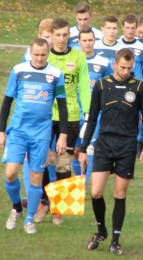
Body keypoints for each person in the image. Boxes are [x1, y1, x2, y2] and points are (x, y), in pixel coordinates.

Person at [78, 48, 143, 255]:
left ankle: (115, 241)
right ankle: (101, 230)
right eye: (122, 67)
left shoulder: (139, 87)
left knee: (120, 194)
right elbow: (92, 118)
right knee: (95, 192)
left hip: (127, 145)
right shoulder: (102, 85)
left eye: (129, 68)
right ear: (114, 65)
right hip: (104, 143)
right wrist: (83, 149)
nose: (126, 71)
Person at [0, 38, 67, 234]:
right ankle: (17, 207)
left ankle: (29, 220)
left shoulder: (55, 74)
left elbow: (62, 105)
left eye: (43, 55)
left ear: (48, 54)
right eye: (36, 55)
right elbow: (7, 102)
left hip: (41, 133)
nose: (39, 58)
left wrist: (62, 134)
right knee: (10, 173)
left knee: (37, 175)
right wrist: (1, 131)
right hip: (19, 131)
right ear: (30, 52)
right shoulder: (18, 71)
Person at [34, 18, 91, 225]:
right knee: (43, 159)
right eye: (57, 35)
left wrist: (88, 113)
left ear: (70, 35)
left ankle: (58, 208)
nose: (61, 39)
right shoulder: (44, 56)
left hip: (71, 116)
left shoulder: (78, 57)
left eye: (65, 35)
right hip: (45, 116)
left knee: (63, 162)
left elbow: (84, 87)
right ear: (52, 35)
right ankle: (44, 201)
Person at [71, 27, 112, 183]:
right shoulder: (72, 61)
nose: (87, 43)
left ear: (94, 40)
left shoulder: (103, 63)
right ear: (79, 42)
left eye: (90, 40)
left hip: (95, 113)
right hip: (74, 111)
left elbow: (109, 87)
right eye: (84, 40)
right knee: (75, 151)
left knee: (89, 148)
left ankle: (83, 185)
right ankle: (78, 179)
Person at [21, 18, 53, 202]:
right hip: (36, 116)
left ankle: (57, 204)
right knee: (31, 156)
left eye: (52, 37)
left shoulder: (68, 57)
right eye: (46, 37)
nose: (49, 40)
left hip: (62, 116)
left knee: (59, 159)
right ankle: (32, 197)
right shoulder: (30, 59)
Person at [118, 14, 143, 158]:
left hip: (137, 87)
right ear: (123, 27)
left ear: (136, 28)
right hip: (120, 86)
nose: (129, 31)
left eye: (132, 28)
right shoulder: (116, 45)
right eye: (127, 28)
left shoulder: (142, 48)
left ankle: (138, 142)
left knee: (139, 117)